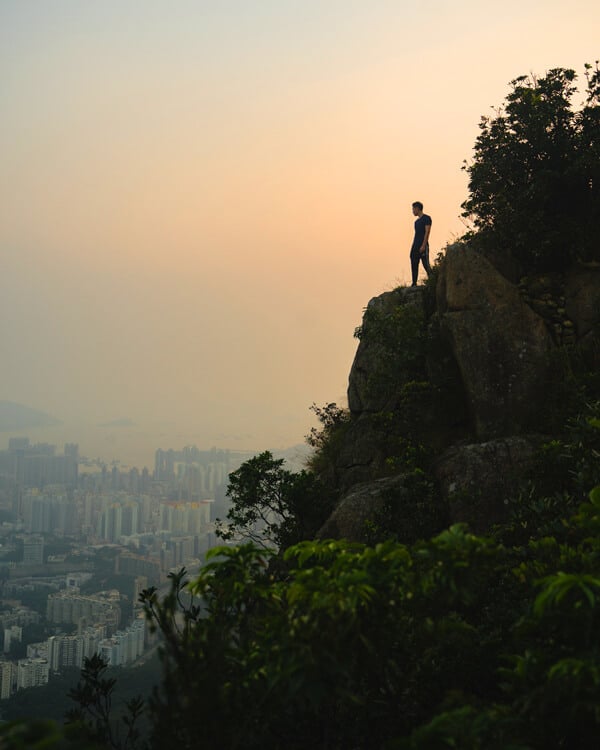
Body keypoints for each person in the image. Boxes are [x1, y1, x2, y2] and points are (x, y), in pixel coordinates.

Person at [410, 201, 432, 286]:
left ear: (417, 208)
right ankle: (414, 283)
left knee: (425, 264)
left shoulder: (427, 218)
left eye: (413, 209)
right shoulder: (416, 222)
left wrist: (423, 245)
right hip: (415, 245)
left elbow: (427, 232)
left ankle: (432, 279)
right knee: (413, 261)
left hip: (423, 245)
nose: (412, 211)